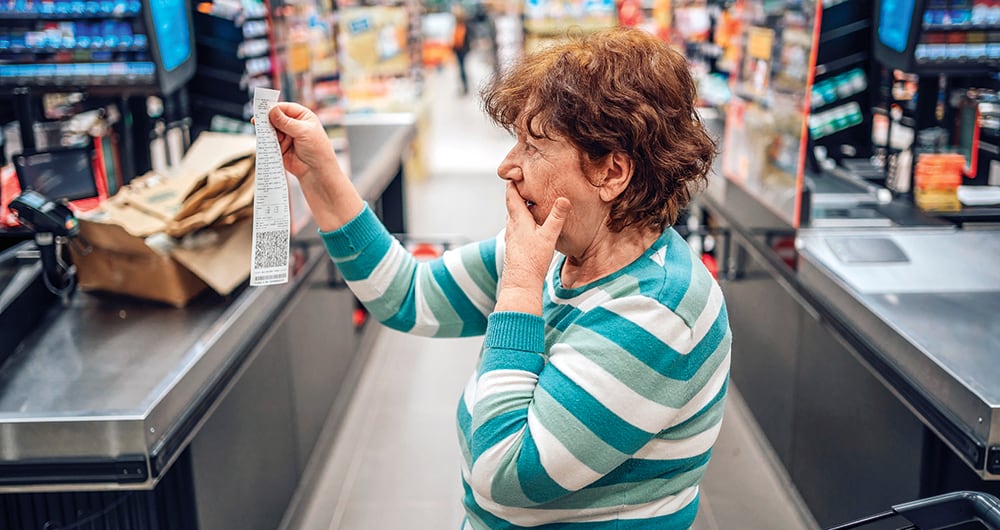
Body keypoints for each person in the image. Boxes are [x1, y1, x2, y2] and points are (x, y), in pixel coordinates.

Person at [267, 26, 731, 529]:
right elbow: (408, 296)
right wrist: (318, 172)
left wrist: (519, 288)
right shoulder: (556, 251)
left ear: (611, 173)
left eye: (533, 147)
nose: (507, 167)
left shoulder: (656, 312)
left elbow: (505, 472)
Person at [452, 3, 472, 95]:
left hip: (462, 51)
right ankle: (463, 86)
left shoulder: (464, 26)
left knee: (462, 69)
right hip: (458, 50)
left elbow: (465, 40)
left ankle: (465, 87)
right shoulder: (458, 26)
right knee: (460, 69)